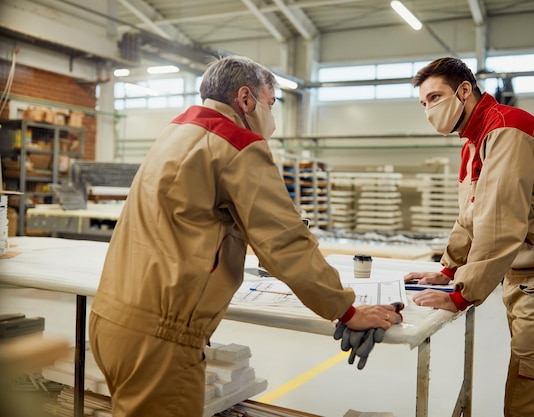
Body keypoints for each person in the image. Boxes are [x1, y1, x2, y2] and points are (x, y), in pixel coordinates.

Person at [88, 55, 402, 417]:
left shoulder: (176, 132)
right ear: (246, 100)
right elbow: (284, 243)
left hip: (111, 318)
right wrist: (345, 309)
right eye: (271, 103)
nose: (272, 115)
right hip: (162, 337)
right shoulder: (236, 144)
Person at [406, 57, 534, 417]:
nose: (428, 109)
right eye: (423, 103)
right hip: (526, 278)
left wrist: (463, 292)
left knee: (531, 400)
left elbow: (500, 222)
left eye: (435, 97)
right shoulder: (474, 139)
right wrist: (448, 269)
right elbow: (471, 217)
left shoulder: (506, 130)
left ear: (464, 90)